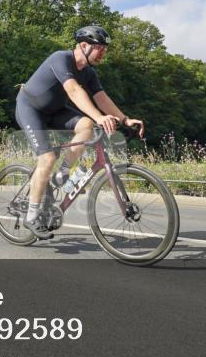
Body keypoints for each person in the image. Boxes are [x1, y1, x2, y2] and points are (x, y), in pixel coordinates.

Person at [15, 25, 144, 240]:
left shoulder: (89, 72)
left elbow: (102, 98)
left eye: (105, 49)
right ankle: (31, 215)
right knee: (46, 159)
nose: (103, 52)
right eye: (100, 47)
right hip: (31, 108)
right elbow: (73, 91)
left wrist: (124, 119)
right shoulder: (61, 58)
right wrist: (100, 117)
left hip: (54, 111)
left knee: (86, 125)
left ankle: (63, 174)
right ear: (84, 45)